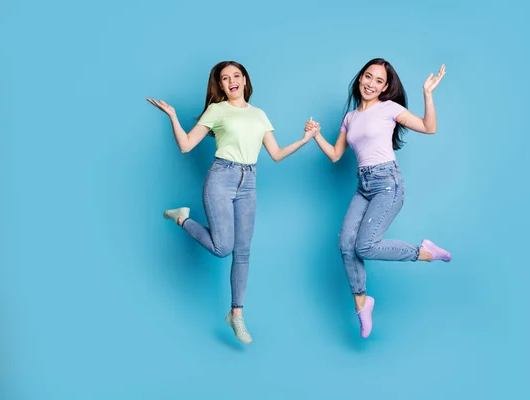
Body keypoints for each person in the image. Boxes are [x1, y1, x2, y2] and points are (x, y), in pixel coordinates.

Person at [146, 61, 316, 344]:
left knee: (243, 251)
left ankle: (236, 314)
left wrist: (305, 139)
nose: (232, 81)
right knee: (223, 247)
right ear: (221, 86)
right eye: (225, 79)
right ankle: (181, 218)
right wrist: (173, 116)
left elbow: (275, 153)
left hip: (249, 181)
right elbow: (186, 145)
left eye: (236, 75)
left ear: (245, 80)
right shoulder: (217, 110)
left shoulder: (260, 114)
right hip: (221, 178)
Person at [306, 58, 451, 339]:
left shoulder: (390, 109)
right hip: (364, 185)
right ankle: (362, 303)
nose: (371, 84)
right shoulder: (350, 117)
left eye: (379, 81)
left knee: (365, 246)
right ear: (360, 78)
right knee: (346, 245)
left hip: (387, 184)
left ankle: (424, 252)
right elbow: (336, 155)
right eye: (368, 77)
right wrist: (316, 136)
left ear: (385, 87)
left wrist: (428, 94)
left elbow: (428, 127)